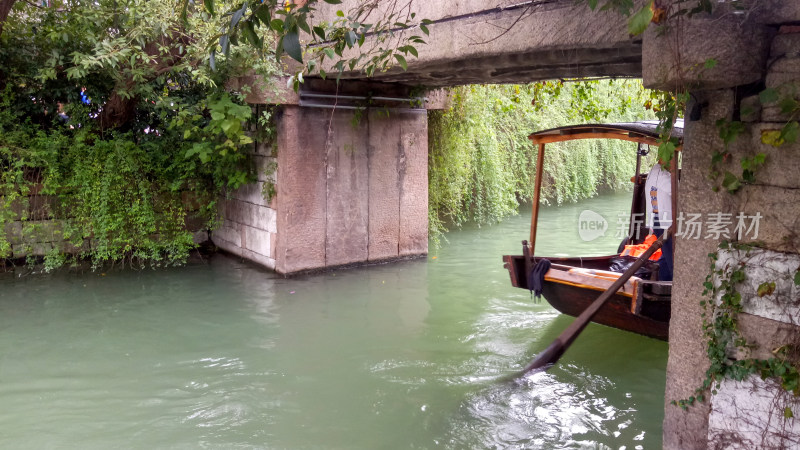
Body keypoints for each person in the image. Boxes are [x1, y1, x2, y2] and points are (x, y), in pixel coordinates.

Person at [644, 160, 673, 281]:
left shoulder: (656, 172)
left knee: (666, 256)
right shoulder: (662, 173)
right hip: (663, 221)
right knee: (672, 256)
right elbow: (677, 190)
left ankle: (661, 281)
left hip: (659, 220)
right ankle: (675, 286)